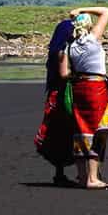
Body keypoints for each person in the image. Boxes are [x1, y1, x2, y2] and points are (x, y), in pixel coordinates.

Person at [61, 5, 108, 190]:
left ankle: (82, 176)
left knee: (81, 129)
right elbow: (105, 11)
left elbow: (64, 74)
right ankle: (92, 178)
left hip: (79, 88)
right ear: (89, 26)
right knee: (99, 130)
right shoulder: (92, 39)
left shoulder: (69, 47)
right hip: (96, 89)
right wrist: (81, 9)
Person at [34, 17, 76, 186]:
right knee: (69, 132)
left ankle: (59, 173)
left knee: (56, 133)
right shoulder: (63, 52)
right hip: (64, 96)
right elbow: (65, 74)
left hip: (54, 95)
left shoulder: (54, 52)